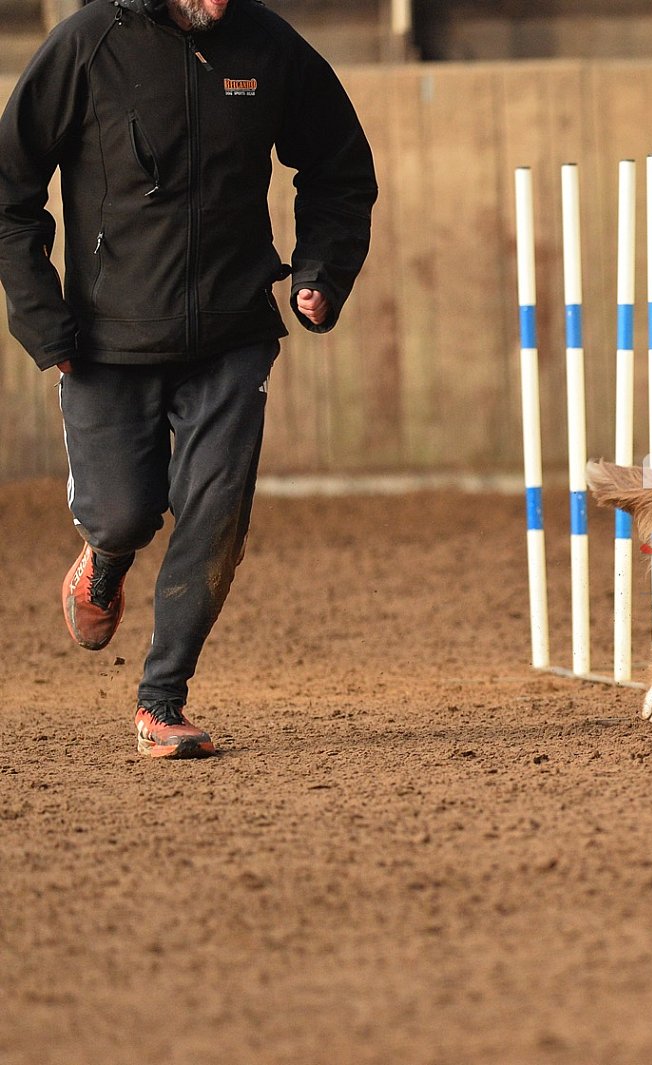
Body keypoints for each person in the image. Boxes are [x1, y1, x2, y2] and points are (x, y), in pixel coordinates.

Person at [0, 0, 378, 758]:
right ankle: (105, 558)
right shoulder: (87, 44)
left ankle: (162, 700)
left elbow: (340, 167)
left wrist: (321, 272)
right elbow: (10, 193)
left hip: (234, 334)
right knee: (124, 514)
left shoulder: (267, 46)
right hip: (105, 342)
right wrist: (43, 318)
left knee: (216, 517)